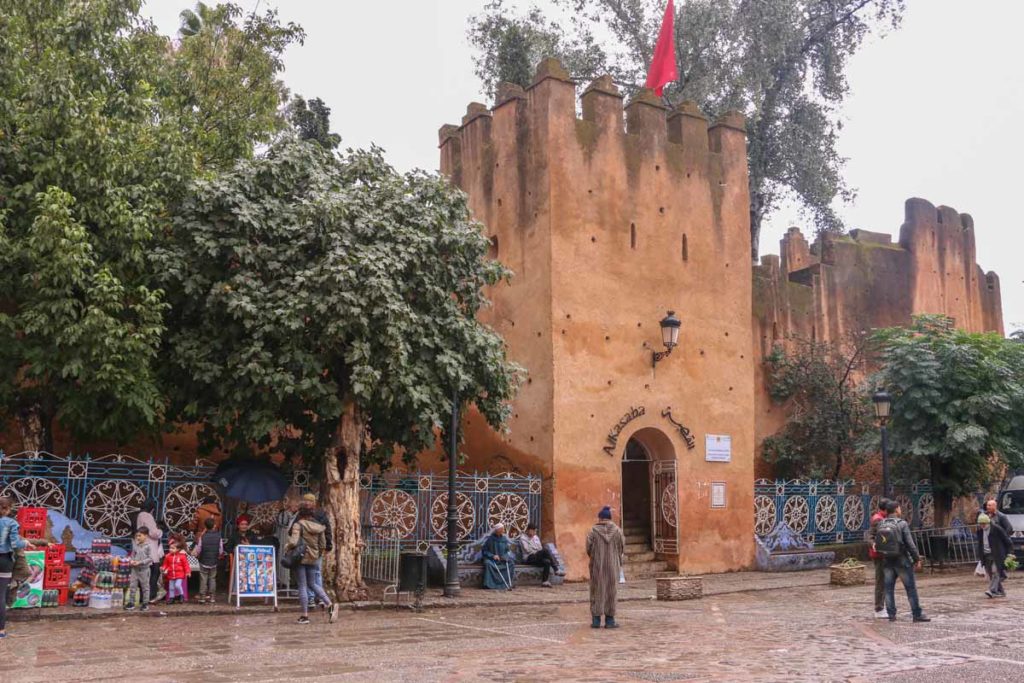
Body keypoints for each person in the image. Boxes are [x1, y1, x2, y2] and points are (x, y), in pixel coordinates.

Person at [877, 500, 930, 622]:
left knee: (889, 589)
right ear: (896, 509)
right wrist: (917, 559)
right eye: (900, 508)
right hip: (902, 560)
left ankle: (891, 614)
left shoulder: (881, 523)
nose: (900, 510)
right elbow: (910, 544)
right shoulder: (902, 524)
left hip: (887, 560)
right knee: (910, 588)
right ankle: (917, 614)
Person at [285, 506, 339, 624]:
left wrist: (287, 547)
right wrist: (316, 554)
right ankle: (329, 604)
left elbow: (293, 542)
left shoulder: (298, 525)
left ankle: (305, 616)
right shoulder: (319, 527)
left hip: (300, 558)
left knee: (302, 586)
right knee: (313, 583)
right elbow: (323, 544)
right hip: (314, 558)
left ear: (301, 514)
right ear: (311, 515)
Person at [587, 505, 625, 629]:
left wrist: (595, 556)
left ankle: (596, 621)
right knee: (611, 591)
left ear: (600, 518)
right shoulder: (618, 531)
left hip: (597, 566)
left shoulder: (593, 531)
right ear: (610, 518)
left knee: (597, 591)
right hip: (613, 566)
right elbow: (621, 548)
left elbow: (588, 548)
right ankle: (610, 621)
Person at [300, 493, 332, 605]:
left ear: (314, 502)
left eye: (309, 501)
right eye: (306, 501)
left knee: (316, 573)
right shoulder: (301, 514)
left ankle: (319, 597)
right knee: (310, 574)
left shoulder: (320, 514)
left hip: (315, 548)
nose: (307, 503)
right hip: (306, 548)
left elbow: (327, 530)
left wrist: (328, 545)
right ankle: (312, 597)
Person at [136, 498, 166, 604]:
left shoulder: (139, 515)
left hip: (143, 548)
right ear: (151, 508)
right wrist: (160, 531)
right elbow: (153, 532)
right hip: (150, 549)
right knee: (154, 573)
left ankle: (143, 596)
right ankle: (150, 596)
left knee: (144, 575)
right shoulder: (147, 516)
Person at [976, 513, 1011, 598]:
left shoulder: (997, 529)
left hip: (997, 554)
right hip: (986, 555)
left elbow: (1007, 540)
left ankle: (991, 590)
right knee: (991, 575)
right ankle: (1001, 592)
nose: (982, 525)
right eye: (980, 524)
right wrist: (981, 555)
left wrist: (1010, 553)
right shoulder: (980, 531)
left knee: (996, 571)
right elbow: (980, 543)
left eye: (984, 524)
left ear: (988, 522)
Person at [979, 499, 1014, 580]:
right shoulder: (985, 515)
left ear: (995, 506)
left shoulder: (1001, 516)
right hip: (988, 543)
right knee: (993, 565)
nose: (987, 507)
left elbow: (1009, 528)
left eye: (989, 505)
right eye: (987, 505)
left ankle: (999, 577)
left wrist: (1002, 537)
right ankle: (999, 578)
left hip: (999, 543)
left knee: (998, 562)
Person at [867, 497, 890, 619]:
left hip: (882, 554)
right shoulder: (878, 519)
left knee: (884, 580)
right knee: (880, 581)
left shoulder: (883, 518)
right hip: (879, 555)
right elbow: (870, 535)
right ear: (885, 509)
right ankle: (879, 608)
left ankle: (882, 606)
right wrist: (873, 544)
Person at [192, 517, 223, 603]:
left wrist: (196, 555)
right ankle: (212, 597)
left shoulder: (203, 537)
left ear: (205, 526)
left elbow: (199, 549)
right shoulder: (218, 537)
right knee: (212, 578)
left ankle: (202, 597)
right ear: (214, 526)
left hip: (203, 560)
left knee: (203, 578)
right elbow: (221, 550)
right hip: (214, 561)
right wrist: (218, 555)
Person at [518, 523, 557, 587]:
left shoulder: (536, 537)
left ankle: (545, 581)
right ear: (528, 530)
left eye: (535, 531)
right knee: (545, 551)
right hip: (528, 558)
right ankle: (555, 568)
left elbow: (540, 548)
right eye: (532, 531)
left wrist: (536, 550)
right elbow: (527, 550)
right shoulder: (523, 538)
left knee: (547, 561)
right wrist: (537, 550)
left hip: (537, 556)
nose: (534, 532)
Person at [481, 523, 515, 590]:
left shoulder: (504, 539)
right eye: (501, 529)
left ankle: (508, 583)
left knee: (511, 563)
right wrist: (492, 556)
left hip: (502, 560)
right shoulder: (490, 539)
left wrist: (505, 556)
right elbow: (484, 551)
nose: (503, 530)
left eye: (503, 529)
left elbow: (507, 551)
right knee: (487, 564)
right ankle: (490, 584)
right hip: (492, 560)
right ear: (497, 530)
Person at [126, 527, 153, 611]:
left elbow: (150, 558)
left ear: (145, 536)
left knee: (145, 587)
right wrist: (132, 561)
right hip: (135, 569)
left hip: (144, 570)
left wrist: (140, 562)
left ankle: (145, 603)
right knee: (132, 586)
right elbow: (132, 555)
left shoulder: (148, 546)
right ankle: (131, 602)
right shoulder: (135, 546)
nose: (138, 538)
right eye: (137, 536)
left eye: (139, 536)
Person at [275, 497, 299, 589]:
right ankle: (282, 581)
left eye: (297, 506)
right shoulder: (284, 514)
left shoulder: (297, 515)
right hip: (284, 538)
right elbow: (283, 525)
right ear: (290, 506)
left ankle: (292, 582)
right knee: (284, 557)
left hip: (293, 540)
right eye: (295, 505)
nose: (296, 507)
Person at [161, 533, 192, 604]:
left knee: (177, 585)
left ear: (178, 549)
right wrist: (163, 568)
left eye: (172, 548)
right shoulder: (168, 556)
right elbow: (165, 564)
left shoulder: (182, 556)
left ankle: (181, 595)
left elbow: (186, 565)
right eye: (170, 548)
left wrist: (188, 571)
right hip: (171, 574)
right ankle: (171, 598)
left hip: (179, 574)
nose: (170, 549)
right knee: (171, 587)